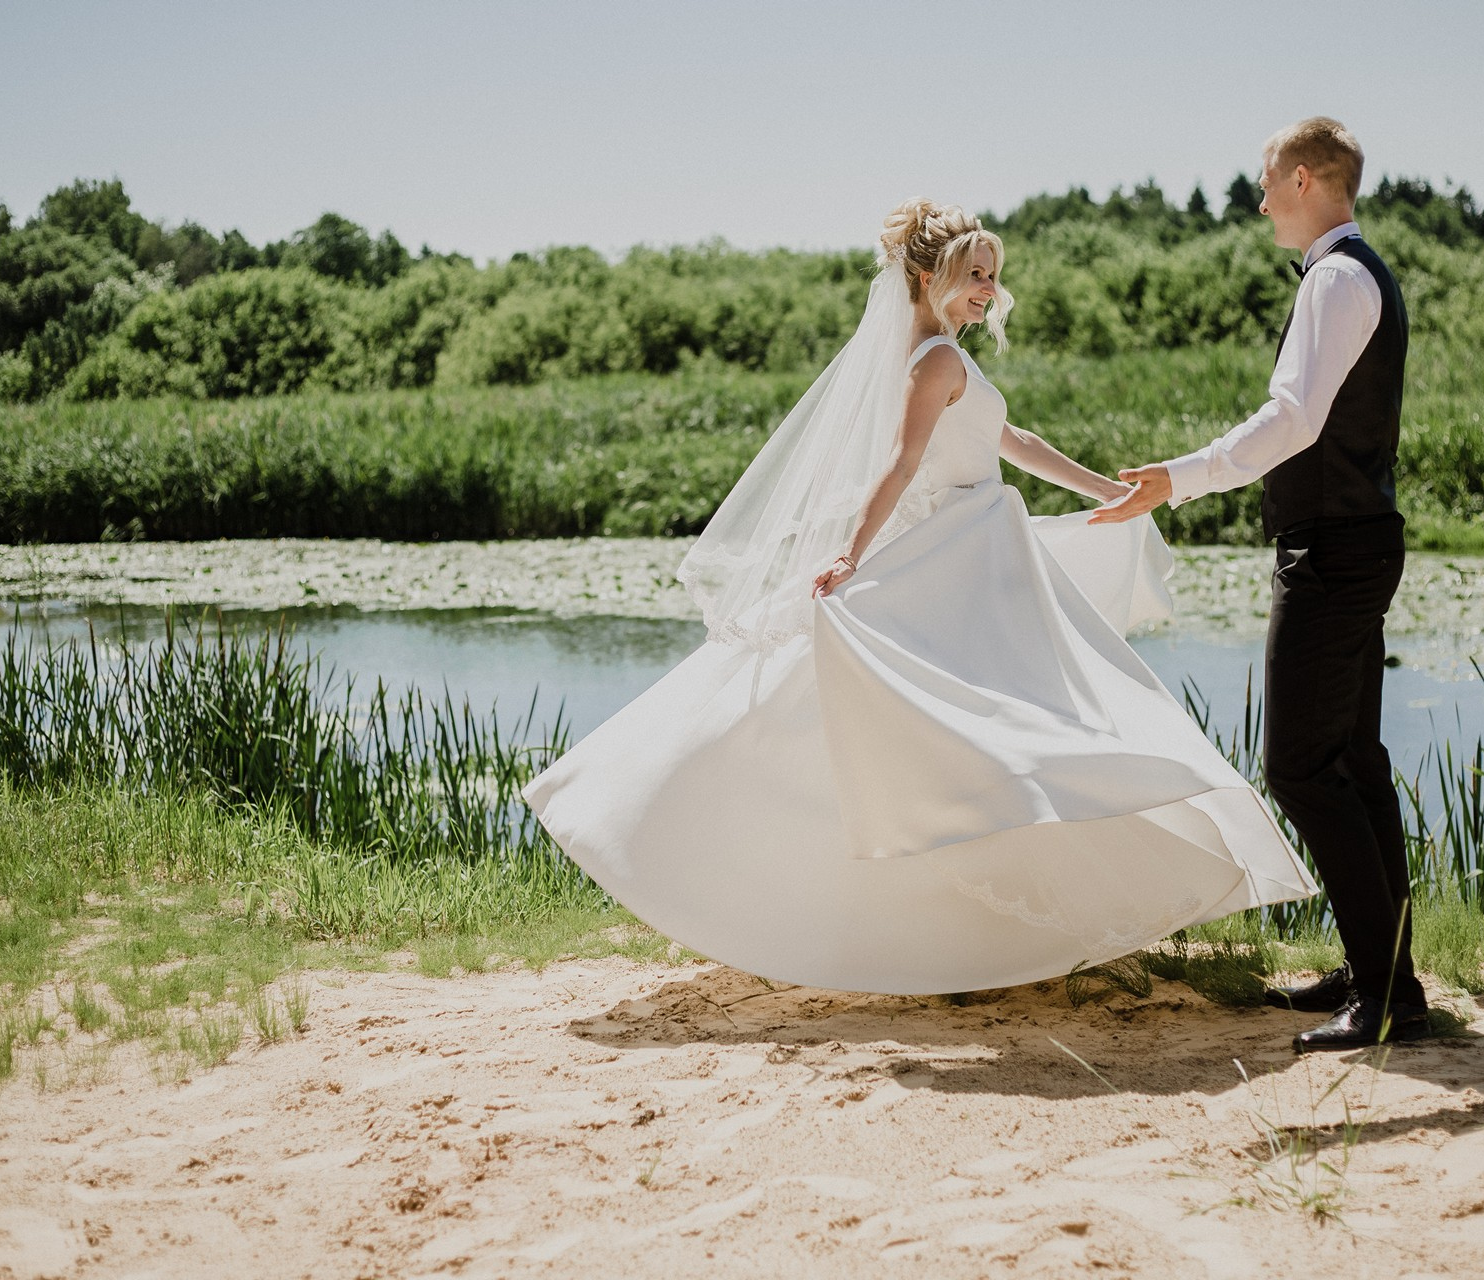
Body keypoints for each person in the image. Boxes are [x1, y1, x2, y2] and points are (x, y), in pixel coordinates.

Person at [522, 199, 1315, 996]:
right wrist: (850, 553)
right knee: (993, 728)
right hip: (955, 553)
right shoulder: (935, 362)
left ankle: (989, 918)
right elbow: (900, 468)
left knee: (993, 730)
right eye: (976, 276)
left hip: (980, 549)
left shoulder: (946, 358)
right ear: (931, 277)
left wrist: (1108, 491)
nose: (989, 290)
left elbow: (1015, 443)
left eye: (993, 277)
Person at [1091, 118, 1427, 1051]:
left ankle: (1387, 999)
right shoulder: (1355, 274)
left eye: (1269, 181)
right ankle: (1383, 977)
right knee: (1352, 765)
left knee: (1299, 767)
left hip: (1335, 551)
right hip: (1356, 541)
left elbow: (1293, 419)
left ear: (1307, 177)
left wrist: (1180, 476)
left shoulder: (1335, 278)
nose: (1261, 197)